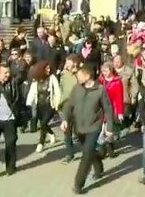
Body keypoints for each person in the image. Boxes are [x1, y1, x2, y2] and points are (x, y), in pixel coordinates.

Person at [60, 67, 114, 195]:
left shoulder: (100, 90)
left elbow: (108, 109)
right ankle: (99, 165)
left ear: (88, 75)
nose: (77, 78)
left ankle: (78, 184)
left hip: (94, 127)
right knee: (89, 151)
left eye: (79, 75)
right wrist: (65, 120)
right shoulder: (77, 88)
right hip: (79, 127)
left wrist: (110, 127)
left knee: (85, 155)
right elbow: (69, 106)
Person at [25, 61, 61, 153]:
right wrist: (28, 103)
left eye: (49, 68)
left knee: (44, 123)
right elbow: (32, 92)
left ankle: (41, 143)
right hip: (40, 105)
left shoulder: (52, 78)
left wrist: (57, 104)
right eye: (46, 68)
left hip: (50, 105)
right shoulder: (36, 80)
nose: (48, 70)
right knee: (43, 124)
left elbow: (57, 91)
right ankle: (52, 134)